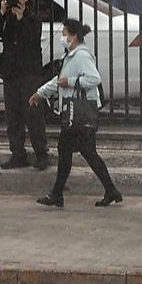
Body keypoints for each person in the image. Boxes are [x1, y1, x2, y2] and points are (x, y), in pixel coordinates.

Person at [32, 16, 122, 208]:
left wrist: (71, 82)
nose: (62, 37)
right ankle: (109, 190)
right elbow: (59, 80)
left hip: (79, 112)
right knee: (84, 152)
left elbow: (94, 79)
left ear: (73, 36)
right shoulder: (71, 56)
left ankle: (57, 194)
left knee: (71, 150)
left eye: (64, 33)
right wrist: (40, 93)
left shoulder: (81, 56)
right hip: (76, 113)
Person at [0, 0, 49, 171]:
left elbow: (31, 38)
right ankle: (17, 153)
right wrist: (1, 12)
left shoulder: (33, 19)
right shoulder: (6, 18)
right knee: (12, 115)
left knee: (33, 114)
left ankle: (41, 153)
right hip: (11, 72)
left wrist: (22, 17)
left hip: (29, 72)